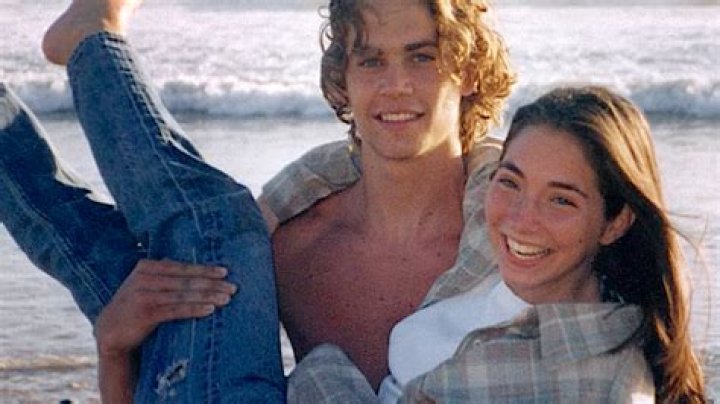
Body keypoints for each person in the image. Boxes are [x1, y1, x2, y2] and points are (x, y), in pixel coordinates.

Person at [1, 0, 513, 400]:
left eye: (422, 57)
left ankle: (95, 35)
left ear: (468, 71)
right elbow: (189, 383)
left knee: (214, 228)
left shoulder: (520, 245)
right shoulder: (290, 249)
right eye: (370, 60)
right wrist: (114, 349)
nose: (395, 85)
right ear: (344, 78)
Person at [284, 87, 708, 402]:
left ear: (615, 222)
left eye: (561, 200)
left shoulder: (602, 381)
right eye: (511, 181)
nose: (521, 220)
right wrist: (267, 209)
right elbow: (379, 153)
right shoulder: (485, 242)